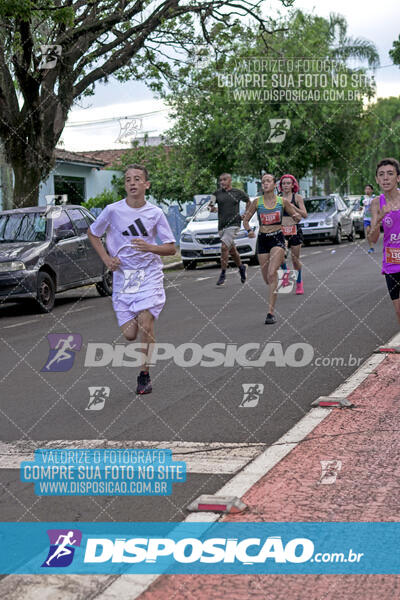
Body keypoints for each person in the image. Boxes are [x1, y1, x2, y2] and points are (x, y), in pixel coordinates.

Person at [88, 164, 176, 394]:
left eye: (137, 179)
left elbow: (170, 249)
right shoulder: (112, 211)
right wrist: (107, 260)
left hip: (149, 274)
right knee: (130, 334)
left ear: (146, 184)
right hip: (124, 277)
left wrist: (149, 247)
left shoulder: (155, 213)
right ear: (125, 185)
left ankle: (144, 375)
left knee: (146, 324)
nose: (132, 183)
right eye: (128, 180)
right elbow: (93, 233)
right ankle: (137, 313)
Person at [242, 173, 301, 324]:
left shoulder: (282, 202)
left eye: (268, 181)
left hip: (277, 238)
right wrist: (248, 230)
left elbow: (297, 216)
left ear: (275, 185)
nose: (265, 184)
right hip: (262, 240)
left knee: (271, 273)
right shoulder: (257, 202)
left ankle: (270, 313)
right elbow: (246, 220)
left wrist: (295, 217)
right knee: (266, 278)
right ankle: (280, 281)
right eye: (263, 182)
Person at [369, 158, 400, 324]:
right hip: (392, 262)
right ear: (377, 179)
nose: (386, 178)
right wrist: (380, 217)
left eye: (390, 174)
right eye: (381, 175)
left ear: (398, 177)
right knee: (398, 310)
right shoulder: (376, 203)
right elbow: (372, 239)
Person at [208, 173, 251, 286]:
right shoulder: (216, 194)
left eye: (224, 179)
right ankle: (241, 268)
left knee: (224, 247)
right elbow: (210, 206)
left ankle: (223, 274)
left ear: (230, 180)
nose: (222, 182)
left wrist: (246, 214)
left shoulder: (237, 192)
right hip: (222, 226)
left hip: (234, 224)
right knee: (232, 251)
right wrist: (212, 209)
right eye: (220, 180)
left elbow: (248, 201)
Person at [278, 174, 307, 294]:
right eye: (283, 183)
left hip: (294, 230)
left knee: (295, 260)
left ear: (293, 185)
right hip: (281, 230)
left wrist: (294, 207)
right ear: (281, 186)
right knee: (279, 257)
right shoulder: (277, 198)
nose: (286, 186)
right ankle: (285, 273)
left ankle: (299, 284)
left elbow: (304, 214)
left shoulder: (297, 197)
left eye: (288, 183)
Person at [362, 184, 375, 253]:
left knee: (373, 232)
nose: (367, 190)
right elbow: (360, 206)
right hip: (366, 218)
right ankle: (371, 247)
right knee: (368, 232)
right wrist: (361, 208)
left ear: (372, 190)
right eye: (366, 189)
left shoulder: (375, 198)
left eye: (369, 189)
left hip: (374, 218)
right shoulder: (363, 198)